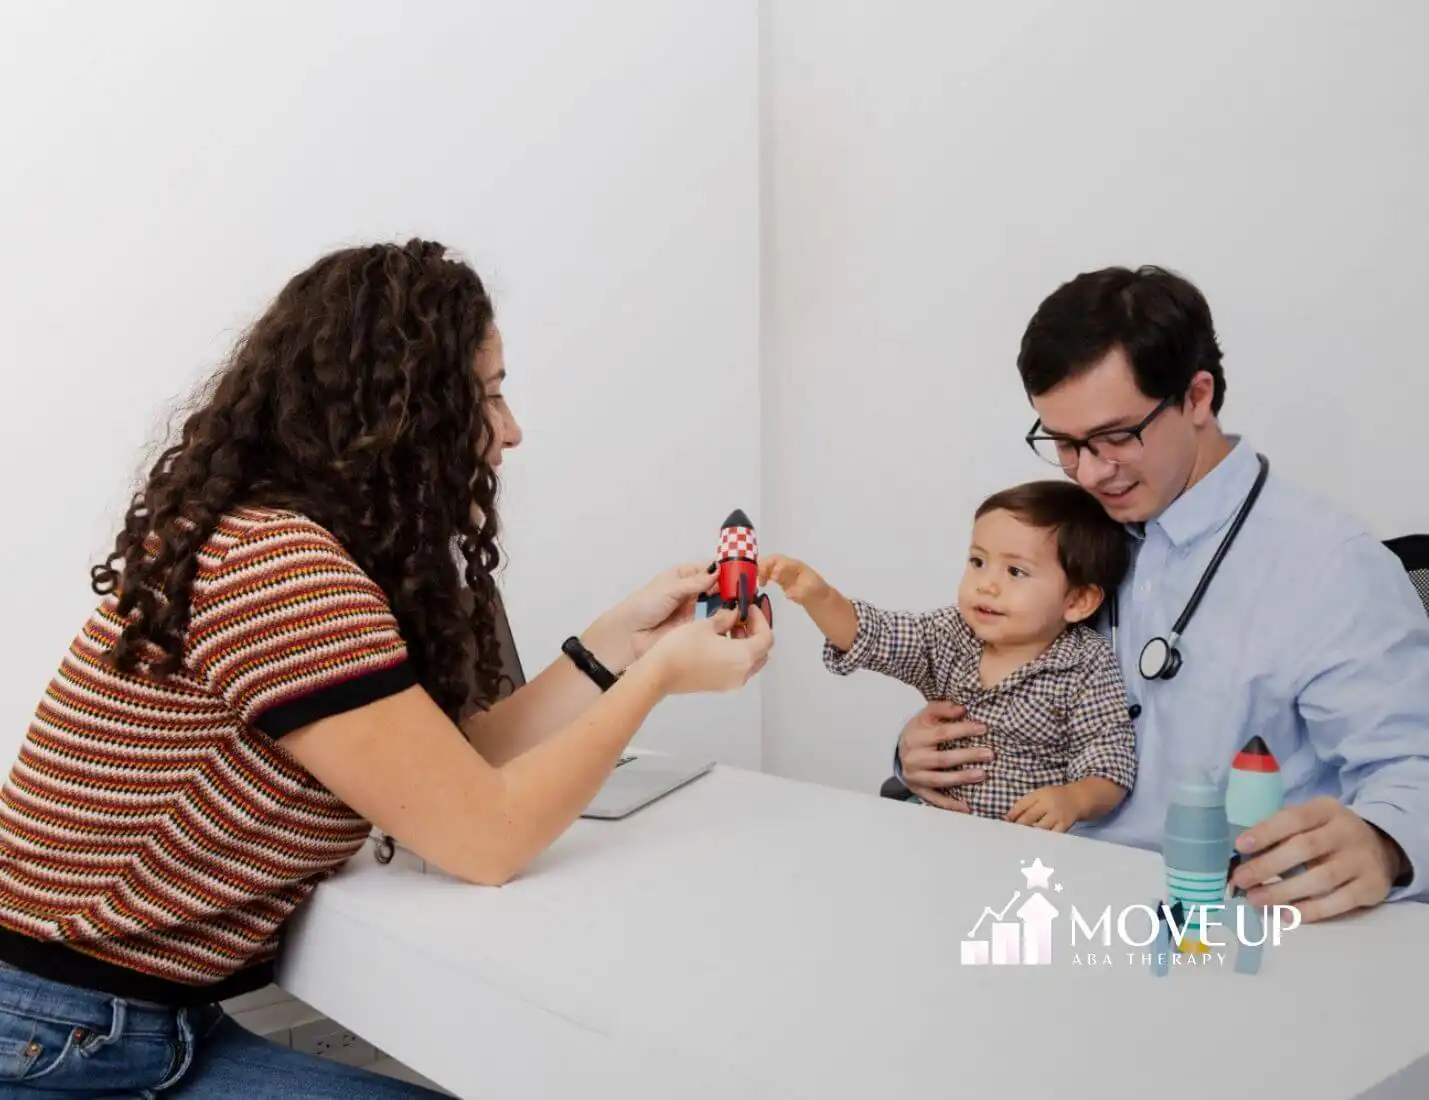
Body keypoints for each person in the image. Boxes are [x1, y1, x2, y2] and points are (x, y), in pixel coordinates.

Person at [0, 239, 773, 1096]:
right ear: (405, 413)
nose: (511, 431)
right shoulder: (282, 573)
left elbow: (458, 772)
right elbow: (486, 840)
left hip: (114, 1023)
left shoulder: (265, 542)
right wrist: (658, 680)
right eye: (488, 396)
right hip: (65, 1036)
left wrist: (615, 648)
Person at [891, 264, 1429, 923]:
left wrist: (1384, 843)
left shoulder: (1329, 566)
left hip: (1226, 922)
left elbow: (1412, 769)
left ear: (1196, 397)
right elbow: (984, 685)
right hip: (1039, 892)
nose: (1088, 472)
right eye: (1063, 443)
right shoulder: (1056, 538)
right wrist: (924, 754)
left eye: (1117, 437)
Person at [761, 480, 1137, 831]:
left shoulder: (1086, 662)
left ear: (1077, 600)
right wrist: (820, 597)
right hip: (938, 831)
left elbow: (1108, 761)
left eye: (1016, 571)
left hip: (1027, 849)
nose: (987, 584)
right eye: (977, 562)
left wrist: (1075, 798)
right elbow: (874, 635)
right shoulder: (951, 634)